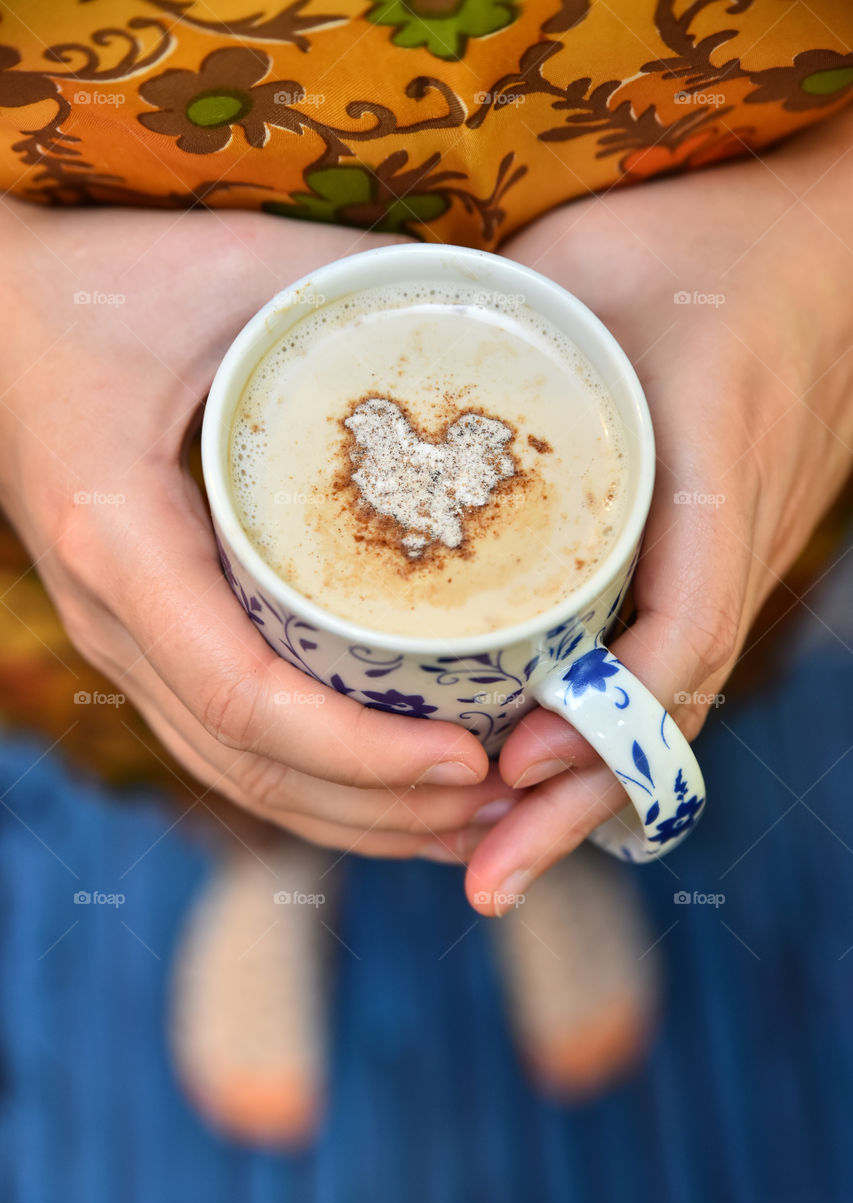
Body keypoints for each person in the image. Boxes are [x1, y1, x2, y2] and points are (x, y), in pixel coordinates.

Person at [1, 0, 851, 1145]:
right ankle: (267, 845)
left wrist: (822, 245)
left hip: (741, 372)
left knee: (675, 632)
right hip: (76, 394)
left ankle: (533, 830)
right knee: (182, 705)